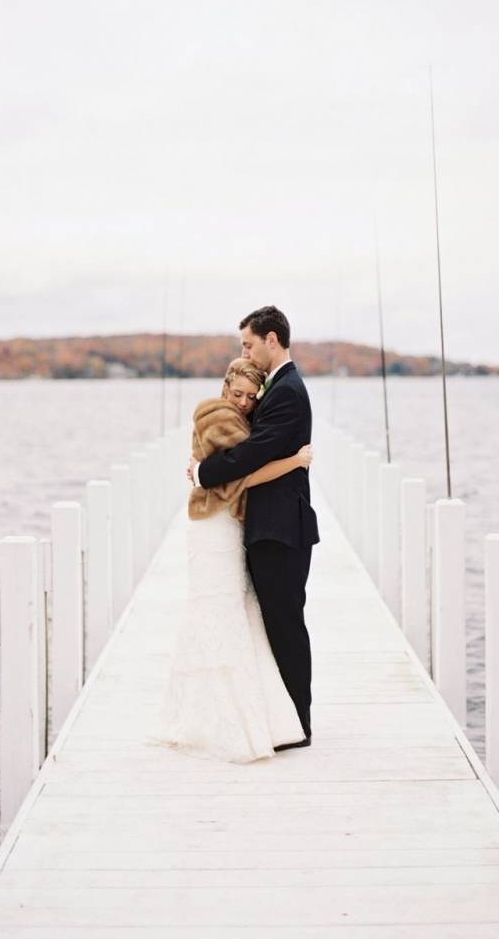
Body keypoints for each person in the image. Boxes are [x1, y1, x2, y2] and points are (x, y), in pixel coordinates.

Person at [154, 357, 312, 763]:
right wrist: (295, 461)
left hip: (232, 524)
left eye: (249, 396)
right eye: (236, 393)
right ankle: (220, 714)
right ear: (224, 388)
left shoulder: (245, 417)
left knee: (236, 612)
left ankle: (248, 709)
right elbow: (237, 476)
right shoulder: (216, 415)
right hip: (213, 524)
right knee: (215, 609)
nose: (242, 401)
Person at [188, 306, 319, 749]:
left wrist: (205, 473)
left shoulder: (286, 391)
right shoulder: (278, 387)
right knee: (279, 624)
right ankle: (287, 717)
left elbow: (256, 450)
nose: (243, 350)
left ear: (271, 340)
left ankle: (298, 723)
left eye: (248, 343)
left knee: (285, 624)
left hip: (281, 529)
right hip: (272, 526)